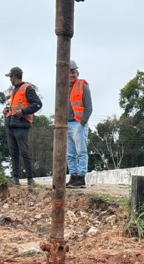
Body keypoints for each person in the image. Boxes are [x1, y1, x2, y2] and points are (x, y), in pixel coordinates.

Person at [3, 67, 42, 185]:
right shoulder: (14, 91)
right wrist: (7, 110)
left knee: (24, 152)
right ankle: (15, 178)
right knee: (13, 152)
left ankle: (30, 178)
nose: (10, 79)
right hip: (11, 124)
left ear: (14, 76)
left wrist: (24, 111)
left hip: (21, 125)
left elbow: (38, 104)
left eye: (10, 77)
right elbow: (15, 107)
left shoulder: (27, 89)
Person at [66, 60, 93, 188]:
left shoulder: (83, 86)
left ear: (77, 72)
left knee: (81, 151)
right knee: (70, 153)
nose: (71, 75)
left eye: (73, 72)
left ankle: (81, 178)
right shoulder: (64, 88)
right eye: (69, 73)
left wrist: (82, 124)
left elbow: (89, 107)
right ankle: (73, 176)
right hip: (67, 124)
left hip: (78, 124)